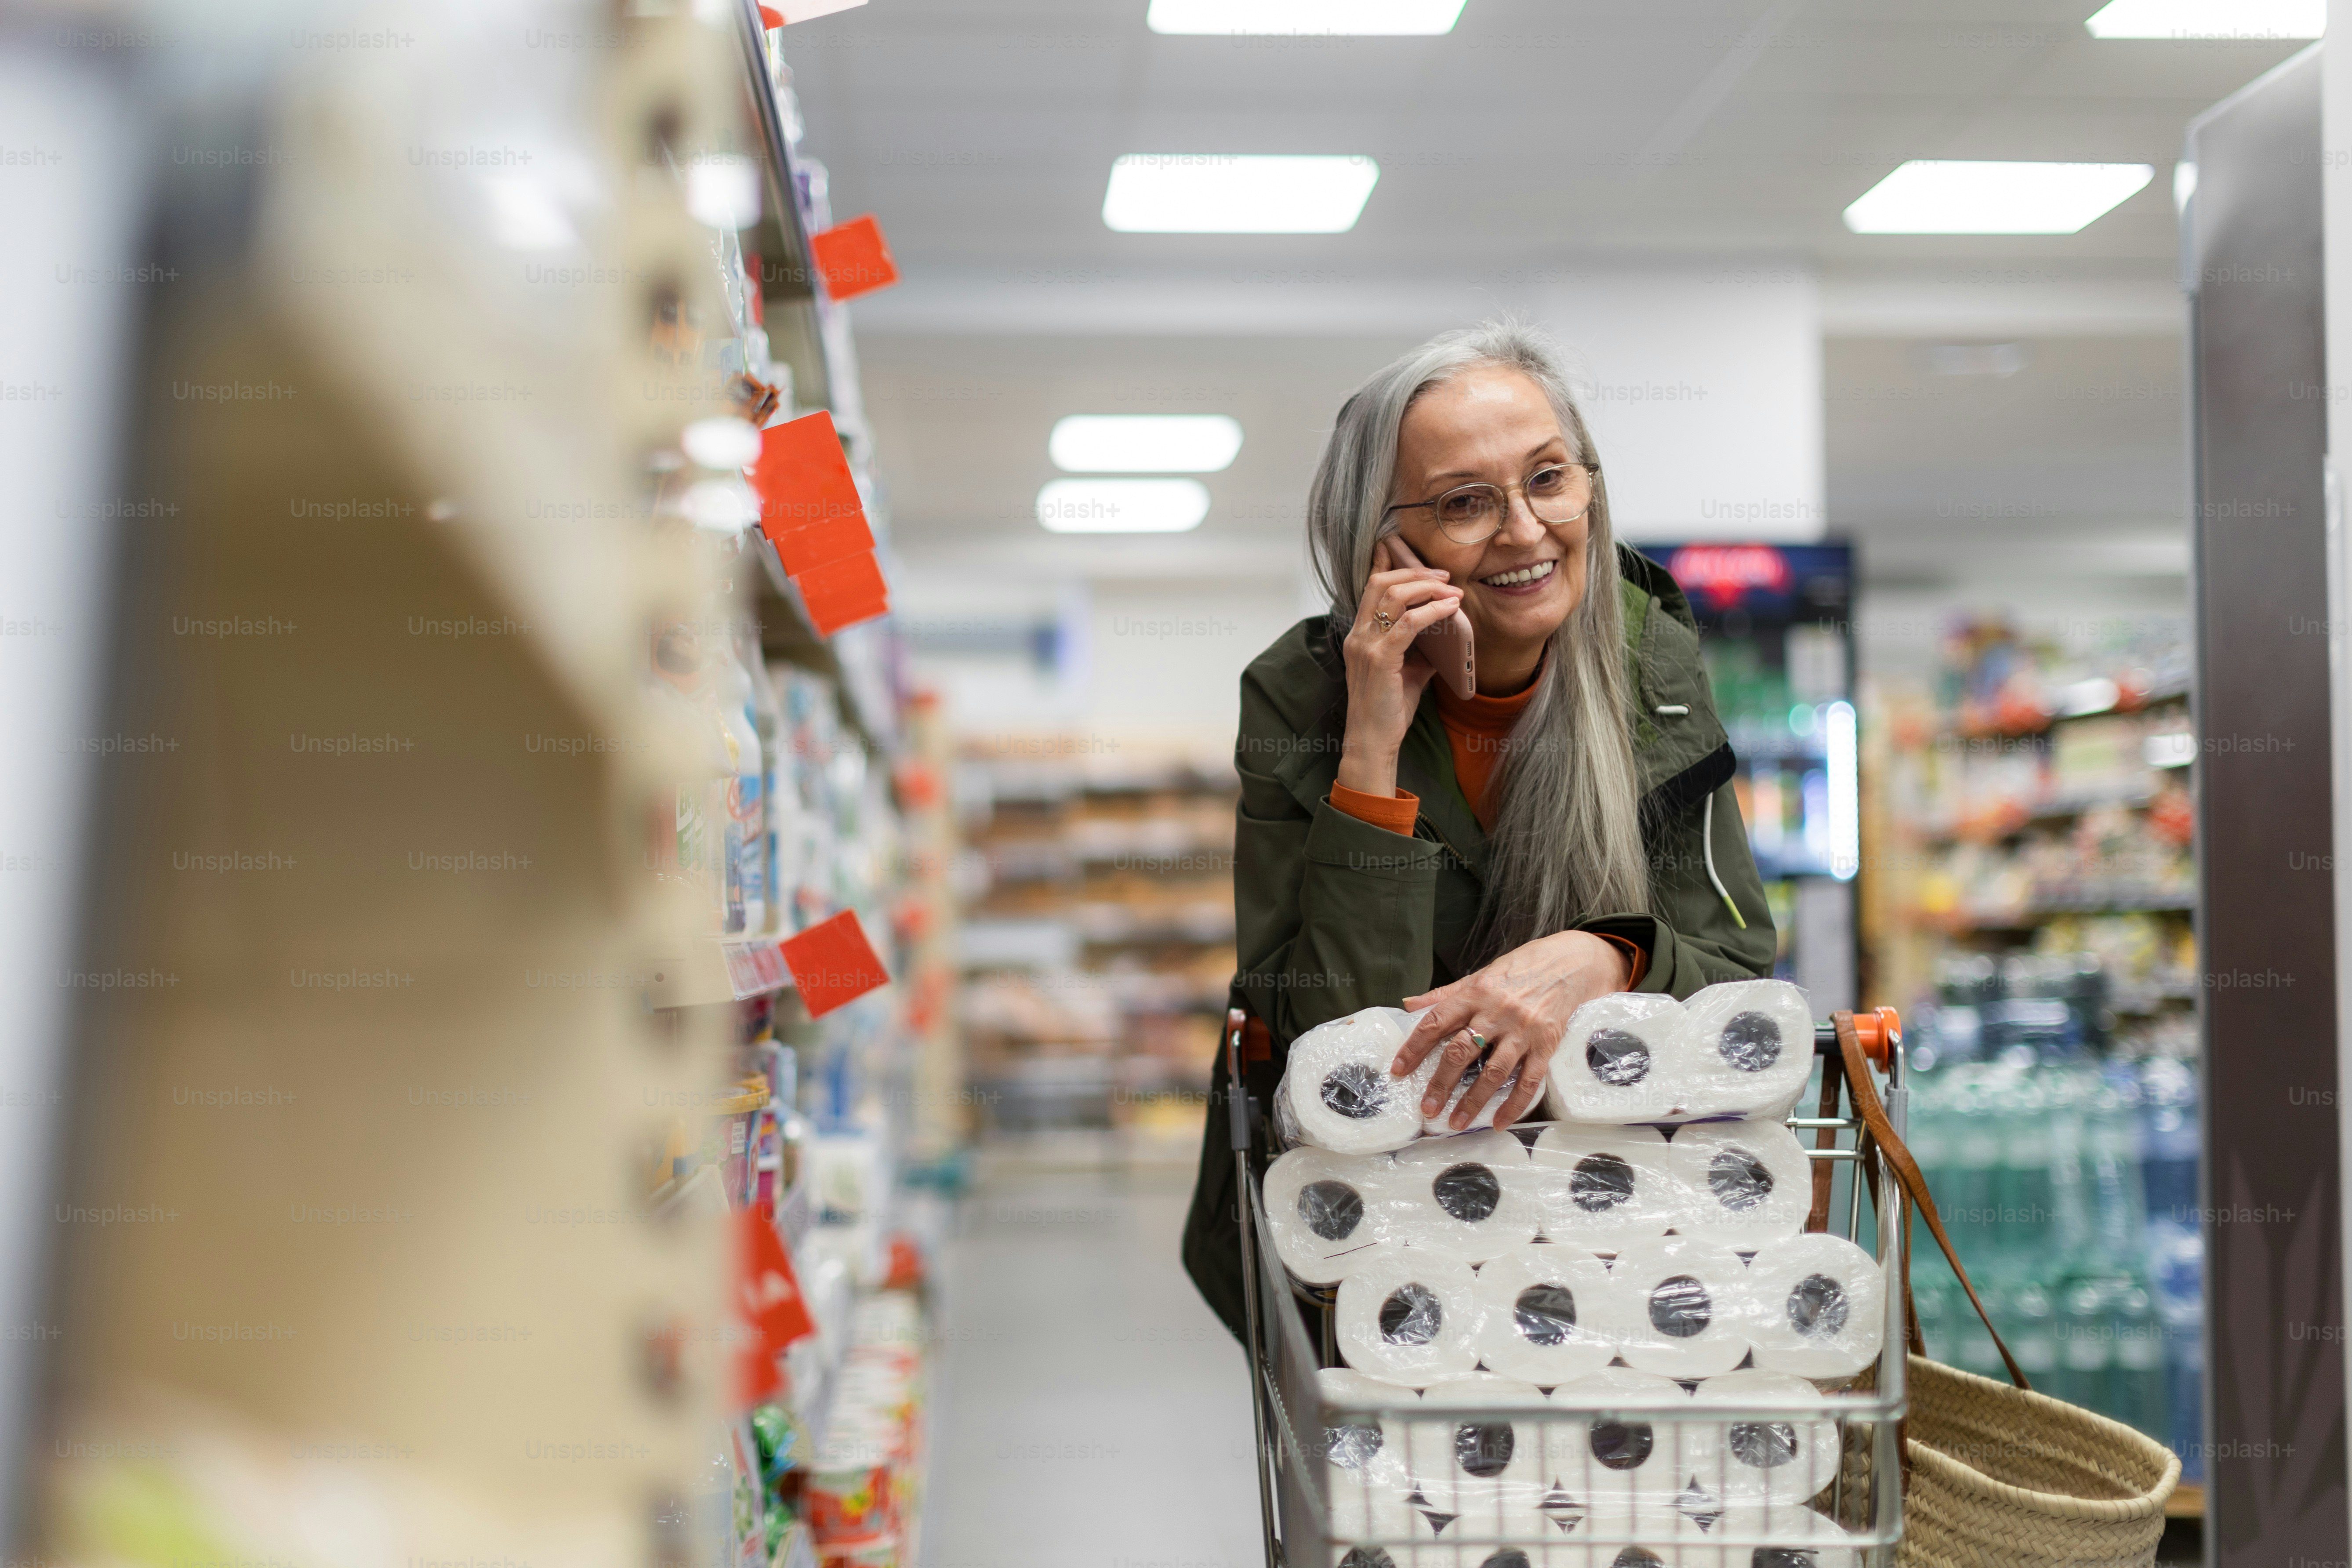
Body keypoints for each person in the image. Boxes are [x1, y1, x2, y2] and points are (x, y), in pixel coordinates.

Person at [1182, 320, 1775, 1338]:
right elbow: (1332, 1050)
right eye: (1465, 502)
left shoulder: (1652, 666)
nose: (1526, 529)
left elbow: (1736, 978)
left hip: (1623, 1237)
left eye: (1550, 477)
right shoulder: (1300, 697)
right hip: (1375, 1254)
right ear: (1379, 537)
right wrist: (1372, 744)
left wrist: (1607, 954)